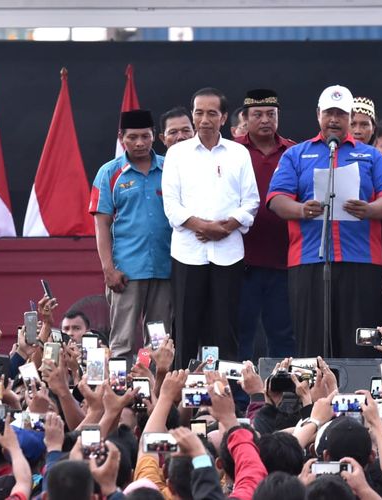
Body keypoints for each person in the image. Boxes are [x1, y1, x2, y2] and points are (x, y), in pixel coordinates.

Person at [267, 85, 382, 358]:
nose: (334, 119)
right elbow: (276, 198)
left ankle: (360, 397)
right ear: (318, 114)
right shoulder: (296, 154)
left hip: (361, 260)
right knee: (312, 338)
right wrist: (301, 209)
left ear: (350, 118)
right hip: (309, 259)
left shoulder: (371, 155)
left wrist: (370, 209)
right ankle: (313, 398)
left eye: (340, 114)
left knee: (360, 341)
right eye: (329, 112)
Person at [161, 87, 260, 366]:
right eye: (199, 113)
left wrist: (225, 228)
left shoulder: (238, 153)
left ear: (224, 117)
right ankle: (180, 399)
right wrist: (201, 226)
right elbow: (172, 205)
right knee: (185, 327)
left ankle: (222, 395)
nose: (204, 120)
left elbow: (251, 201)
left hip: (228, 253)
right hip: (188, 253)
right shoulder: (177, 154)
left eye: (212, 113)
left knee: (224, 328)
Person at [90, 109, 172, 360]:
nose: (139, 143)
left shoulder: (170, 168)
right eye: (132, 137)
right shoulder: (109, 172)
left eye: (145, 137)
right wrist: (108, 269)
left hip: (165, 269)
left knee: (159, 342)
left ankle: (156, 395)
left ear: (154, 137)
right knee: (122, 342)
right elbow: (101, 224)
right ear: (120, 138)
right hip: (126, 272)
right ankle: (118, 397)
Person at [235, 89, 297, 361]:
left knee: (283, 335)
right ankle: (237, 398)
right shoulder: (232, 151)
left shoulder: (294, 151)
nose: (265, 120)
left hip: (284, 260)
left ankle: (284, 396)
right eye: (257, 115)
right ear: (245, 119)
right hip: (241, 260)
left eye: (271, 114)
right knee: (241, 333)